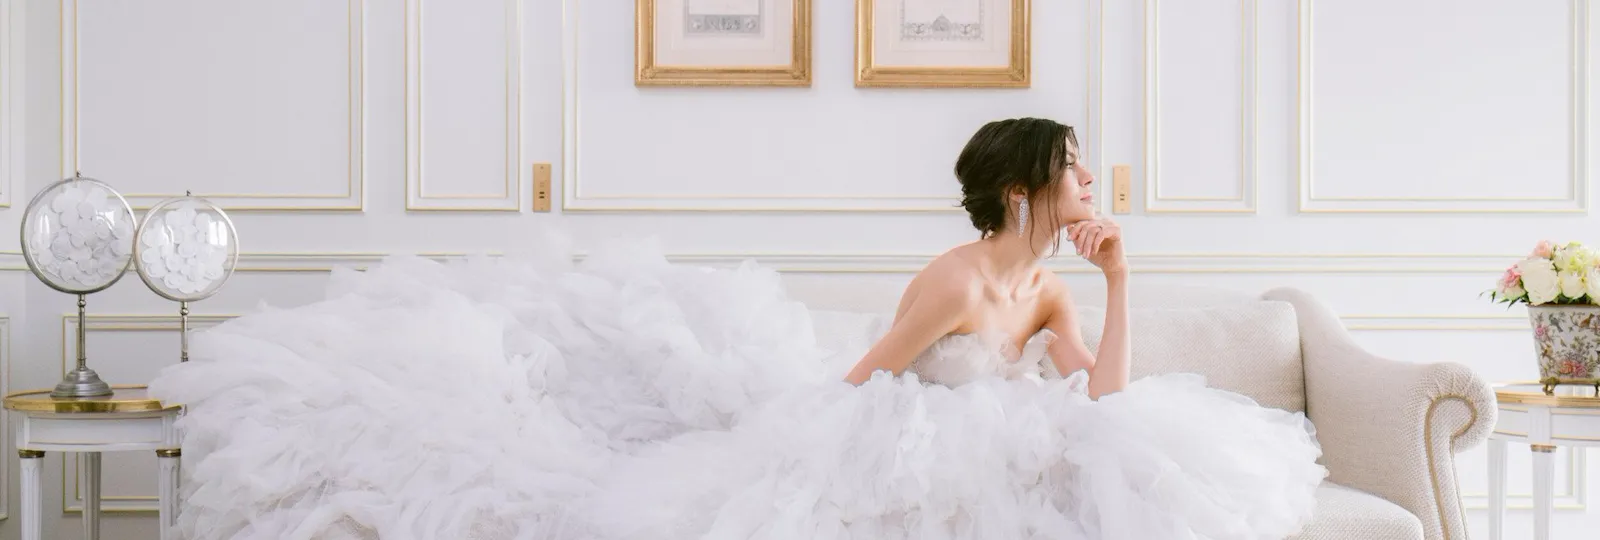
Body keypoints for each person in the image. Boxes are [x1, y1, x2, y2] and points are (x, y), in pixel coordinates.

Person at [147, 117, 1329, 540]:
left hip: (1006, 433)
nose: (1089, 188)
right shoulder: (958, 280)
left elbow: (1106, 401)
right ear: (1021, 189)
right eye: (1073, 175)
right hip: (901, 434)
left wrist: (1123, 281)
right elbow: (867, 378)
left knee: (1136, 465)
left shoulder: (1053, 289)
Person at [843, 118, 1130, 401]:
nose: (1088, 176)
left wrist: (1117, 274)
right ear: (1019, 190)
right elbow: (855, 389)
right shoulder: (959, 286)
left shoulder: (1049, 294)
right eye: (1069, 164)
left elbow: (1104, 400)